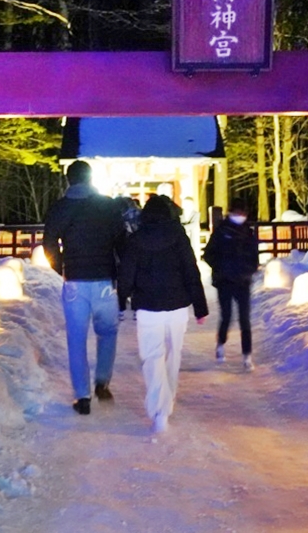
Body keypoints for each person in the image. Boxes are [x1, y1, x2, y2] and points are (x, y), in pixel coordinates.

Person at [118, 194, 209, 433]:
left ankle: (160, 408)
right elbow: (191, 271)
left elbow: (127, 273)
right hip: (178, 306)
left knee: (152, 357)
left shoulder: (136, 240)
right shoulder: (179, 237)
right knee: (173, 354)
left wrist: (120, 300)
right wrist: (200, 307)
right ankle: (167, 401)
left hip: (148, 307)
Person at [43, 161, 127, 415]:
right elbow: (121, 241)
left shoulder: (60, 207)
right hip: (104, 281)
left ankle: (82, 397)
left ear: (69, 180)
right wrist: (122, 275)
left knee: (77, 339)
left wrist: (60, 269)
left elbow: (49, 242)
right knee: (108, 332)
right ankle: (102, 381)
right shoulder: (108, 205)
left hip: (75, 281)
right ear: (91, 179)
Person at [202, 198, 260, 371]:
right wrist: (220, 268)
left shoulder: (248, 232)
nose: (241, 216)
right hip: (225, 281)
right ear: (231, 212)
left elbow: (254, 256)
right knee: (226, 316)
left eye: (243, 213)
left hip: (243, 281)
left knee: (245, 319)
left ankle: (247, 355)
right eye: (238, 213)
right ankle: (220, 344)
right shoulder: (221, 231)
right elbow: (209, 254)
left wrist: (249, 269)